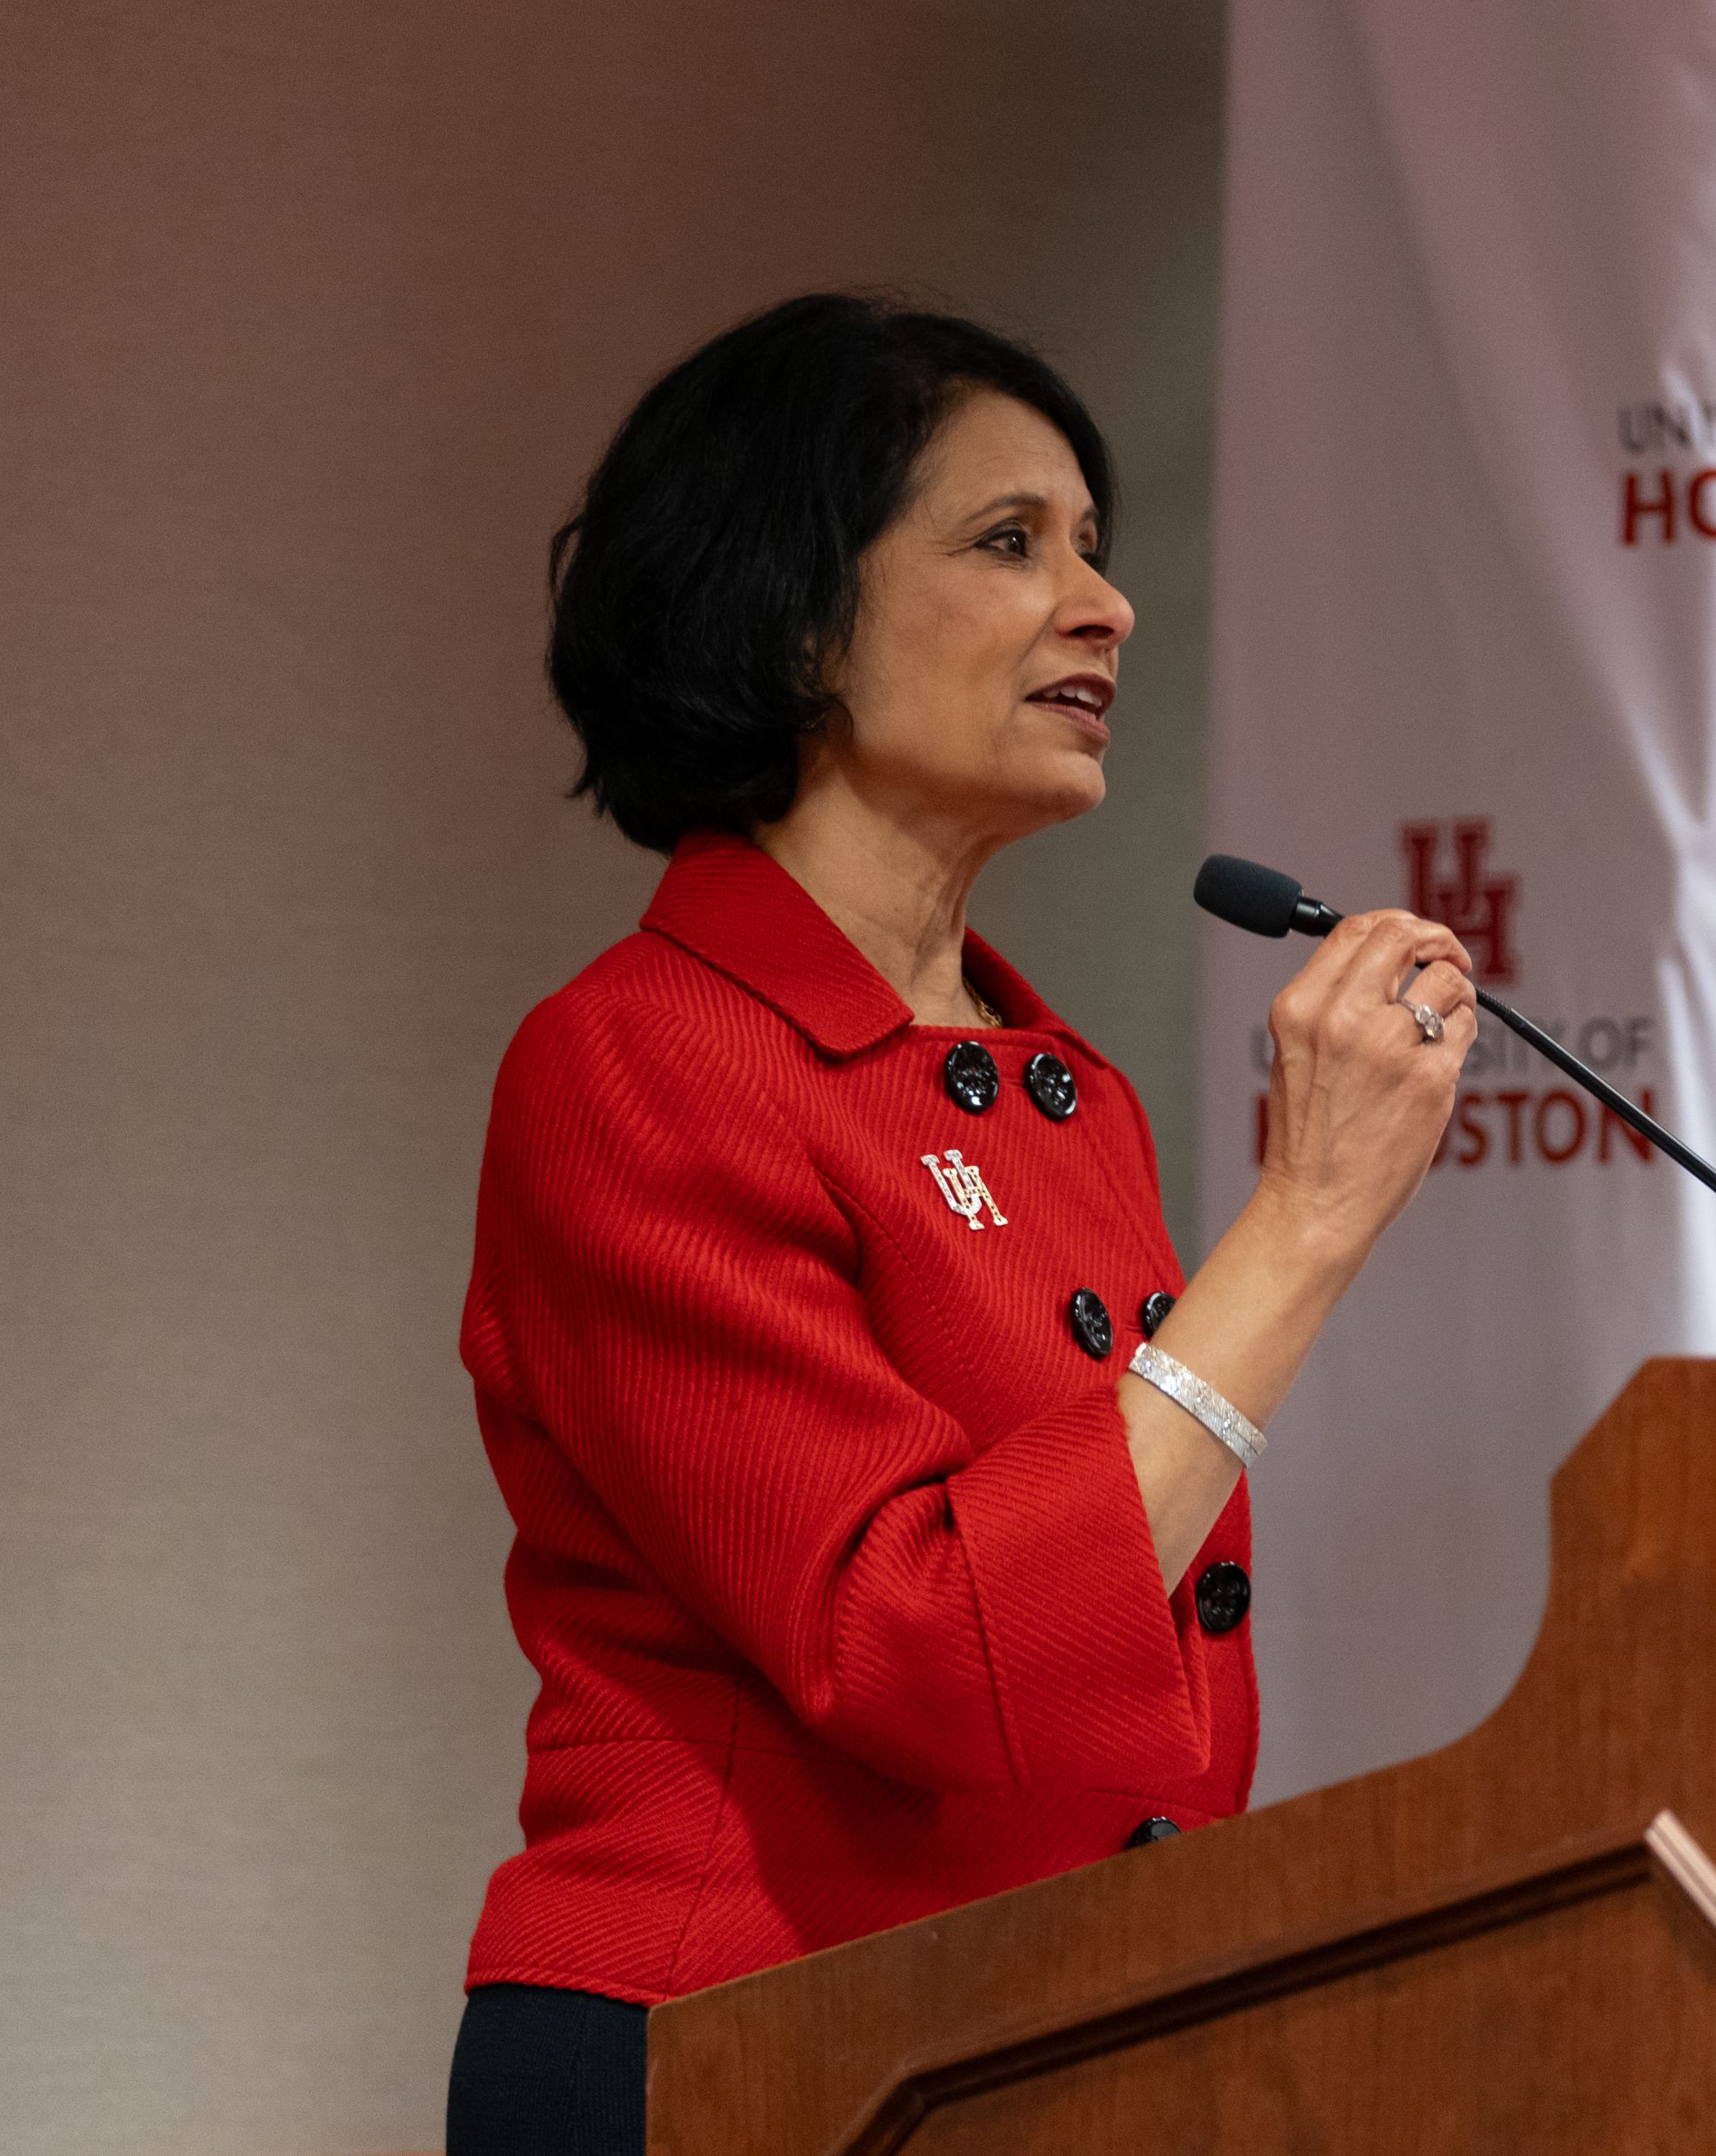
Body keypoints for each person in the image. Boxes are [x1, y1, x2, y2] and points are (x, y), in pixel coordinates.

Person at [442, 294, 1476, 2156]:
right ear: (792, 614)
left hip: (1023, 2044)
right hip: (735, 2053)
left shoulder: (1056, 1082)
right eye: (1011, 542)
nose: (1103, 605)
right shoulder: (638, 1062)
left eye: (1096, 548)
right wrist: (1306, 1221)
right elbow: (925, 1649)